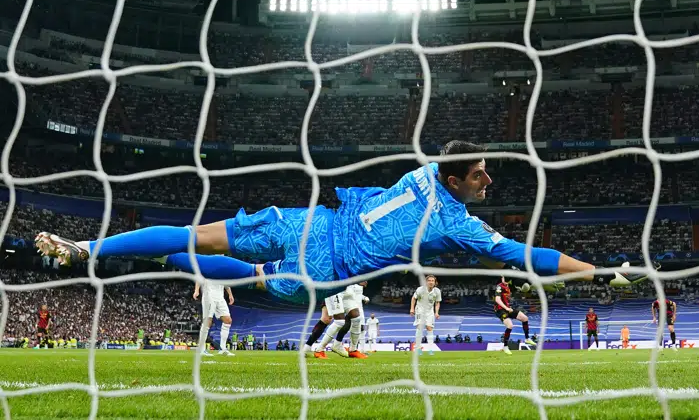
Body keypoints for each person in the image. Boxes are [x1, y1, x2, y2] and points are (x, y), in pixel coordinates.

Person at [35, 142, 645, 304]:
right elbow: (525, 255)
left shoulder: (427, 170)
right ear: (456, 180)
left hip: (313, 219)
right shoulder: (459, 223)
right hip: (324, 263)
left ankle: (93, 247)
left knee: (202, 237)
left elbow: (448, 162)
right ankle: (111, 251)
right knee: (247, 274)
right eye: (482, 175)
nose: (490, 181)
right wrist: (595, 272)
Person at [494, 275, 536, 355]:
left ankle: (527, 338)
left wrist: (522, 289)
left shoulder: (509, 286)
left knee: (525, 318)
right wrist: (506, 308)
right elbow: (497, 299)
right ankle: (505, 347)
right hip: (500, 310)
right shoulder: (499, 287)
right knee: (510, 326)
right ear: (502, 278)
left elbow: (515, 291)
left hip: (508, 308)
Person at [193, 279, 235, 356]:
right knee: (208, 321)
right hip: (209, 295)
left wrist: (230, 294)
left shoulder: (223, 270)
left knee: (228, 320)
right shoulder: (208, 267)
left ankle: (222, 349)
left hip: (220, 297)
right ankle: (201, 349)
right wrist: (197, 290)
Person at [410, 276, 442, 352]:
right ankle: (418, 348)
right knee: (420, 327)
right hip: (420, 310)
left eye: (432, 281)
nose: (431, 282)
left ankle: (430, 348)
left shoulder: (437, 291)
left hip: (430, 311)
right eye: (429, 280)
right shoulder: (420, 289)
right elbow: (414, 298)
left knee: (429, 328)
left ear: (435, 282)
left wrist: (436, 312)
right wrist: (412, 308)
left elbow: (437, 303)